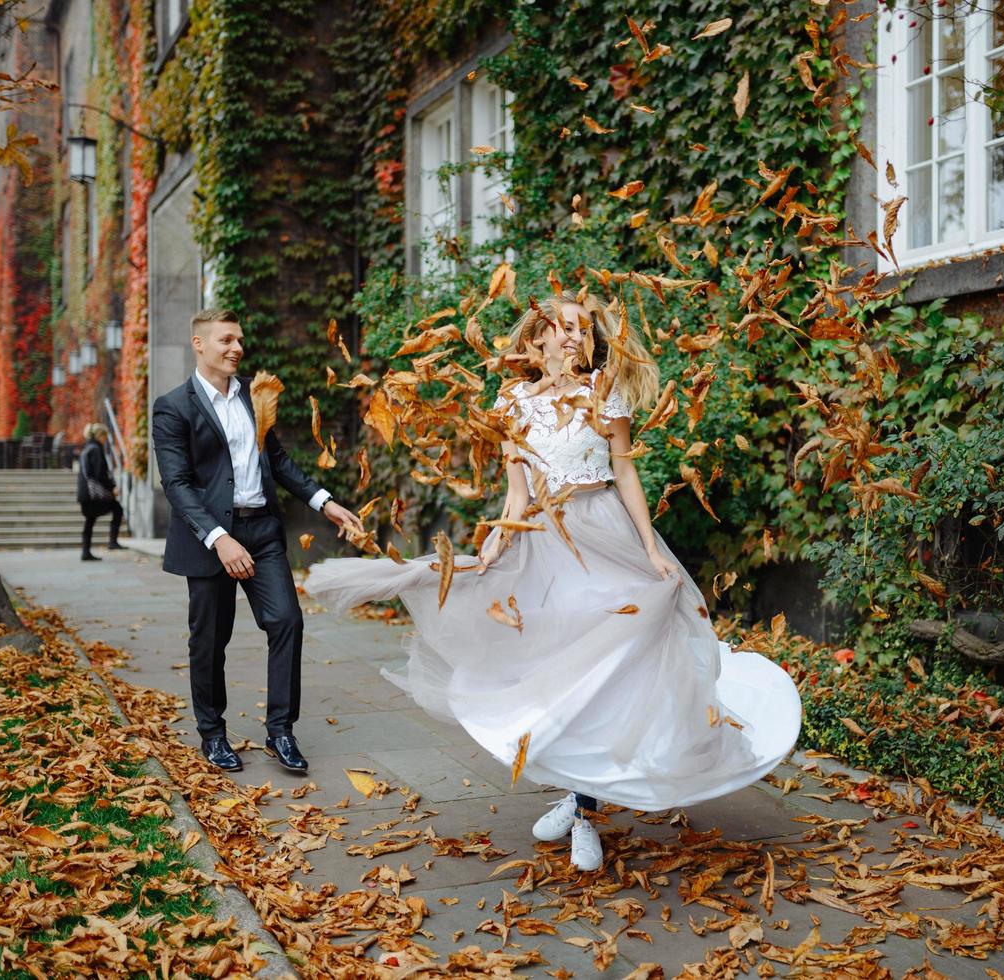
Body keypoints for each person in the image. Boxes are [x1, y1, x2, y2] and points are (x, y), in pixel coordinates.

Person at [303, 291, 801, 872]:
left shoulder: (603, 394)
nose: (573, 338)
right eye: (562, 328)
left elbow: (624, 471)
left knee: (605, 668)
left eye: (583, 330)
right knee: (558, 674)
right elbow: (517, 492)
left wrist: (649, 548)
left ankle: (585, 813)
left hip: (604, 535)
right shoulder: (512, 401)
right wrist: (495, 542)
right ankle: (576, 795)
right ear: (538, 337)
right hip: (544, 540)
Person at [152, 308, 364, 775]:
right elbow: (178, 484)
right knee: (210, 640)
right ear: (199, 344)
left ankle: (280, 731)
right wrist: (220, 539)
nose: (237, 348)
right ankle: (212, 734)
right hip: (210, 539)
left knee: (287, 622)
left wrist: (323, 501)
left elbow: (279, 459)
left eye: (239, 340)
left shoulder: (254, 394)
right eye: (226, 340)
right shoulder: (173, 406)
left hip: (262, 531)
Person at [77, 422, 125, 561]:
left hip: (85, 494)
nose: (106, 439)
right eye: (105, 436)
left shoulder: (87, 448)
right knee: (117, 509)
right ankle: (112, 542)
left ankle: (85, 552)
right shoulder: (96, 449)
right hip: (93, 494)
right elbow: (100, 474)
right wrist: (112, 488)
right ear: (99, 435)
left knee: (90, 521)